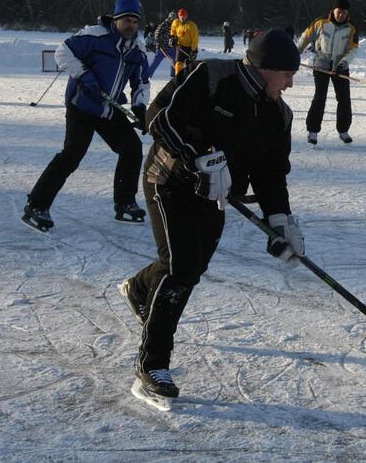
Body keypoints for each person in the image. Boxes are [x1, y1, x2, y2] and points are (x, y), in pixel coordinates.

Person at [118, 29, 302, 407]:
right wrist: (198, 154)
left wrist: (279, 220)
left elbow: (271, 173)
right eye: (287, 74)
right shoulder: (211, 75)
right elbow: (159, 118)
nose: (290, 84)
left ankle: (140, 289)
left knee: (191, 266)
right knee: (180, 266)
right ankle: (151, 365)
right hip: (168, 180)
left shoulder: (279, 115)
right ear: (267, 68)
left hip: (215, 196)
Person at [22, 0, 149, 232]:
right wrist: (84, 75)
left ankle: (125, 203)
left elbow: (141, 82)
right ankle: (36, 204)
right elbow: (63, 52)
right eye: (126, 20)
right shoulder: (95, 35)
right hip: (82, 106)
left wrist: (140, 107)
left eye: (134, 21)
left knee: (131, 148)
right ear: (116, 19)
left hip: (108, 109)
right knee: (72, 154)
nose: (131, 25)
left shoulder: (137, 48)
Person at [298, 0, 358, 146]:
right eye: (339, 12)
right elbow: (305, 37)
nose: (341, 15)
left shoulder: (351, 27)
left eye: (344, 13)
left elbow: (353, 48)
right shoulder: (321, 22)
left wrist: (342, 63)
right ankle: (312, 131)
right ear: (334, 10)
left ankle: (343, 131)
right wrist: (295, 52)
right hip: (321, 64)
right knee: (320, 97)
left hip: (341, 66)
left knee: (344, 99)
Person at [148, 11, 177, 77]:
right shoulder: (164, 24)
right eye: (171, 18)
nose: (172, 20)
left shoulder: (174, 26)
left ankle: (173, 74)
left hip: (169, 47)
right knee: (156, 61)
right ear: (169, 18)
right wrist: (159, 43)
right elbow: (156, 34)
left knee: (175, 58)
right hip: (162, 47)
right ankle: (148, 74)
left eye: (174, 19)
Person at [171, 8, 199, 75]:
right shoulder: (176, 22)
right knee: (178, 64)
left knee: (190, 66)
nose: (182, 17)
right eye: (180, 15)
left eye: (184, 15)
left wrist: (193, 50)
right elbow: (173, 30)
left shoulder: (191, 25)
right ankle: (178, 79)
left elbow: (195, 39)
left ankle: (190, 80)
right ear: (178, 16)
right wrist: (172, 38)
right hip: (180, 47)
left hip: (190, 48)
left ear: (186, 16)